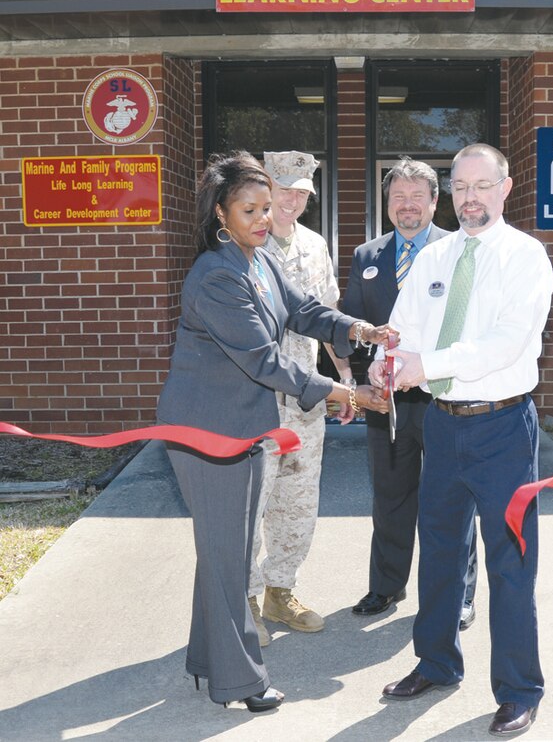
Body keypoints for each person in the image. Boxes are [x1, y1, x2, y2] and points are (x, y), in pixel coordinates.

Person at [156, 151, 394, 713]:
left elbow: (304, 310)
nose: (264, 219)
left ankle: (204, 661)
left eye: (267, 208)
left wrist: (359, 328)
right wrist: (348, 394)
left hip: (241, 427)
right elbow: (266, 362)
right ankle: (241, 683)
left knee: (225, 553)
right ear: (221, 212)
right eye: (250, 209)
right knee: (228, 556)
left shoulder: (258, 259)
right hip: (207, 436)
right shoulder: (217, 275)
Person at [374, 144, 553, 737]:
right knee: (442, 548)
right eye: (461, 186)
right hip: (443, 424)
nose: (470, 197)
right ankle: (437, 663)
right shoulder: (435, 255)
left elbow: (505, 343)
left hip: (503, 425)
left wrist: (426, 364)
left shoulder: (527, 257)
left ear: (506, 188)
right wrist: (386, 359)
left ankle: (519, 688)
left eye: (482, 185)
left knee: (510, 560)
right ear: (450, 192)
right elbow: (403, 327)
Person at [342, 156, 478, 627]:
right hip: (388, 401)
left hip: (444, 397)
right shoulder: (367, 256)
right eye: (397, 197)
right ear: (387, 204)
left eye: (417, 197)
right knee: (391, 495)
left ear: (435, 201)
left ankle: (459, 594)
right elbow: (351, 325)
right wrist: (364, 380)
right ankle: (386, 585)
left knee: (451, 498)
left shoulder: (458, 250)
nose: (407, 206)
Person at [248, 150, 354, 646]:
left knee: (297, 501)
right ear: (266, 188)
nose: (291, 199)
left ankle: (279, 591)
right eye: (283, 189)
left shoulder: (314, 246)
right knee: (251, 501)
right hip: (255, 401)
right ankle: (243, 601)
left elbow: (328, 317)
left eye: (300, 192)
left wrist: (347, 382)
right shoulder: (243, 242)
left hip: (307, 401)